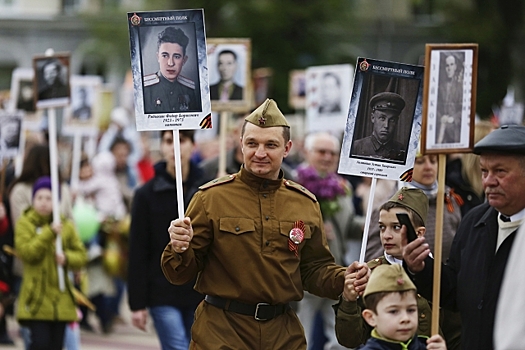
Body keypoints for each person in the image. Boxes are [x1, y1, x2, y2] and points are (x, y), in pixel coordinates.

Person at [161, 99, 367, 349]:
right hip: (221, 333)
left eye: (271, 145)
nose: (260, 153)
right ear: (241, 145)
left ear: (287, 148)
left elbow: (314, 270)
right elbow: (179, 274)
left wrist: (344, 278)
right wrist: (179, 247)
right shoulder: (210, 198)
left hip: (283, 336)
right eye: (252, 143)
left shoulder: (305, 203)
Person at [403, 124, 525, 350]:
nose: (488, 181)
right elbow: (454, 292)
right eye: (484, 171)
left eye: (500, 172)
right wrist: (421, 268)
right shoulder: (474, 220)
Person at [335, 187, 443, 347]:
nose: (386, 235)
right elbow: (350, 340)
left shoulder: (439, 272)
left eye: (397, 227)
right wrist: (349, 301)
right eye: (382, 227)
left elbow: (455, 329)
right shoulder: (370, 273)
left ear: (419, 233)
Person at [128, 130, 206, 350]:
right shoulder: (146, 194)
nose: (175, 147)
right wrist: (137, 303)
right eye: (169, 141)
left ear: (193, 145)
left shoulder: (206, 191)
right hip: (161, 292)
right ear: (161, 146)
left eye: (181, 141)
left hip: (199, 292)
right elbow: (138, 250)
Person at [295, 131, 362, 350]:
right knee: (300, 336)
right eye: (321, 151)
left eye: (332, 153)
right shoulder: (293, 185)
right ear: (307, 152)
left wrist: (378, 223)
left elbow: (349, 226)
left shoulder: (343, 188)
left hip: (336, 271)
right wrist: (313, 230)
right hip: (304, 275)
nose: (327, 157)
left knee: (339, 339)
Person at [15, 176, 87, 350]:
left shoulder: (67, 227)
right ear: (33, 200)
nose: (44, 203)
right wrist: (49, 233)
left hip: (60, 299)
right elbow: (27, 252)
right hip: (36, 299)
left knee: (56, 345)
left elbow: (82, 256)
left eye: (49, 198)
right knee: (40, 343)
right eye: (39, 198)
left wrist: (67, 258)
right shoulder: (25, 224)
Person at [355, 264, 447, 350]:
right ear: (371, 317)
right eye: (393, 311)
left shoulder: (427, 346)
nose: (405, 318)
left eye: (411, 310)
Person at [143, 26, 199, 113]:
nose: (170, 63)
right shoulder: (145, 89)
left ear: (184, 60)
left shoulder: (189, 89)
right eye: (165, 56)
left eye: (177, 56)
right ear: (158, 57)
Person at [351, 92, 406, 162]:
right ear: (373, 118)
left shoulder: (403, 151)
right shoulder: (356, 147)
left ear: (397, 122)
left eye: (392, 120)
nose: (386, 125)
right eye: (382, 118)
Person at [436, 53, 463, 144]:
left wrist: (453, 119)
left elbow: (463, 109)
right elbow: (436, 107)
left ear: (455, 67)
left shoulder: (460, 87)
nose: (449, 68)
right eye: (447, 65)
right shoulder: (441, 87)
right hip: (442, 129)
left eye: (451, 65)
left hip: (455, 131)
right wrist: (441, 117)